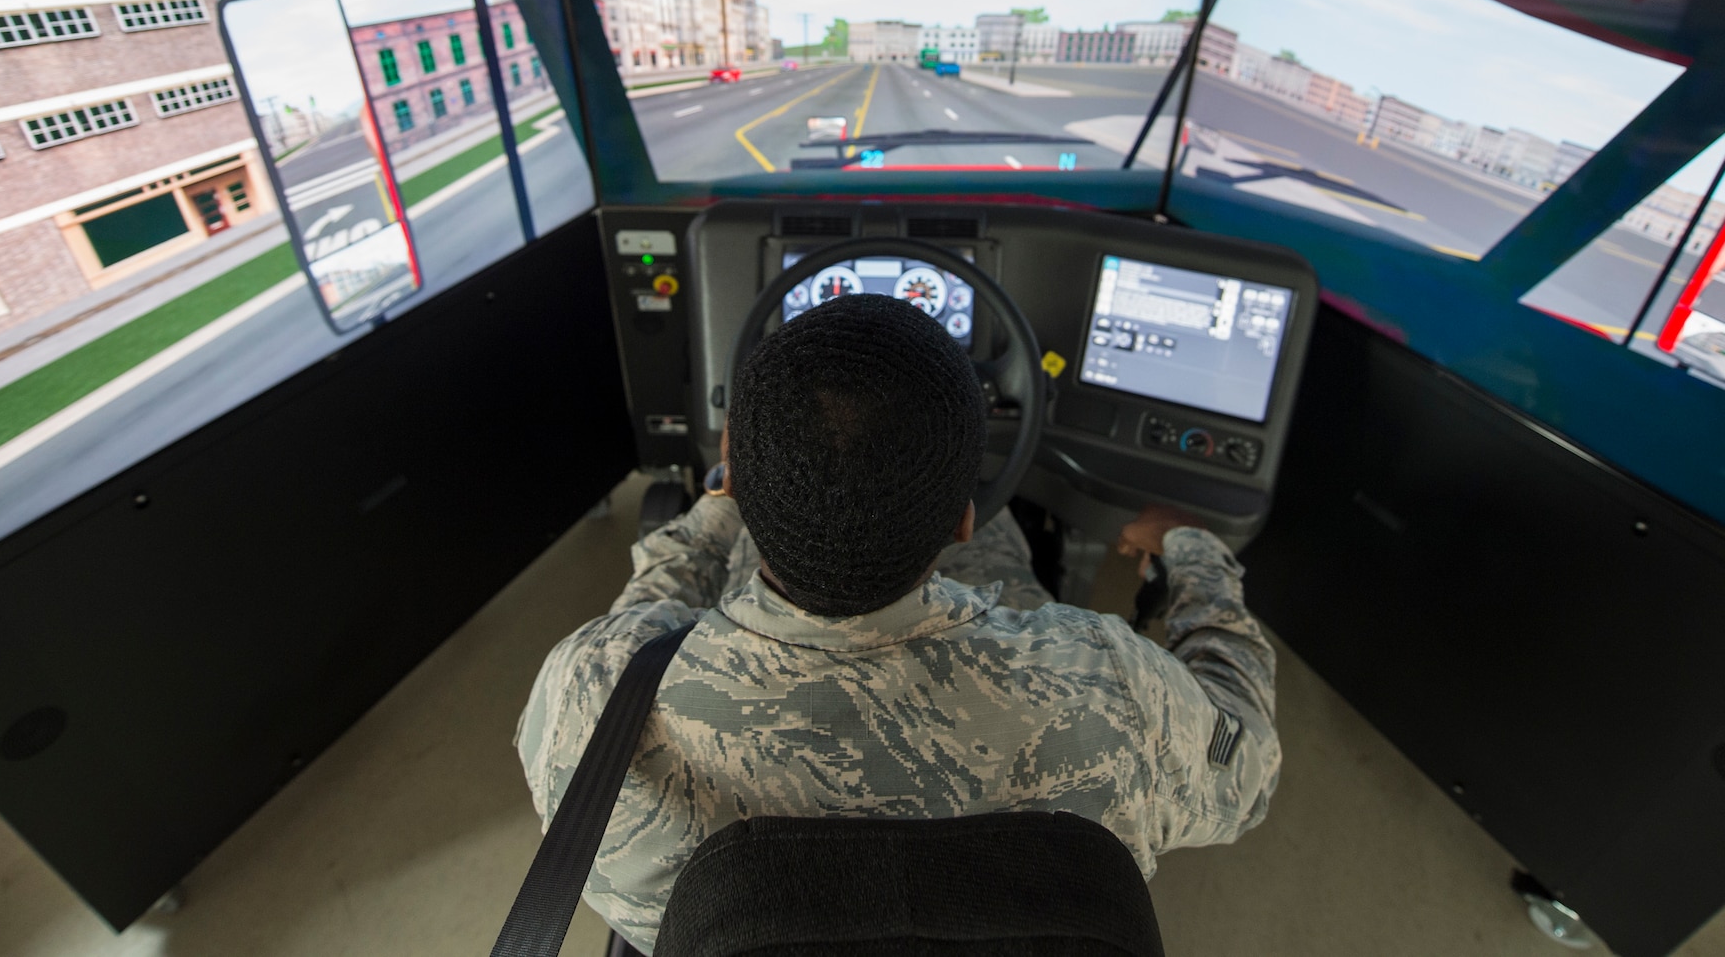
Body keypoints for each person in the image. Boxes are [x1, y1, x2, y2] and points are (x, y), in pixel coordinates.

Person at [516, 292, 1280, 953]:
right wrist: (1194, 553)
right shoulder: (1112, 687)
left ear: (735, 468)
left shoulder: (595, 692)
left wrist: (717, 514)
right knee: (1013, 565)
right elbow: (1246, 775)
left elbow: (648, 623)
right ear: (962, 520)